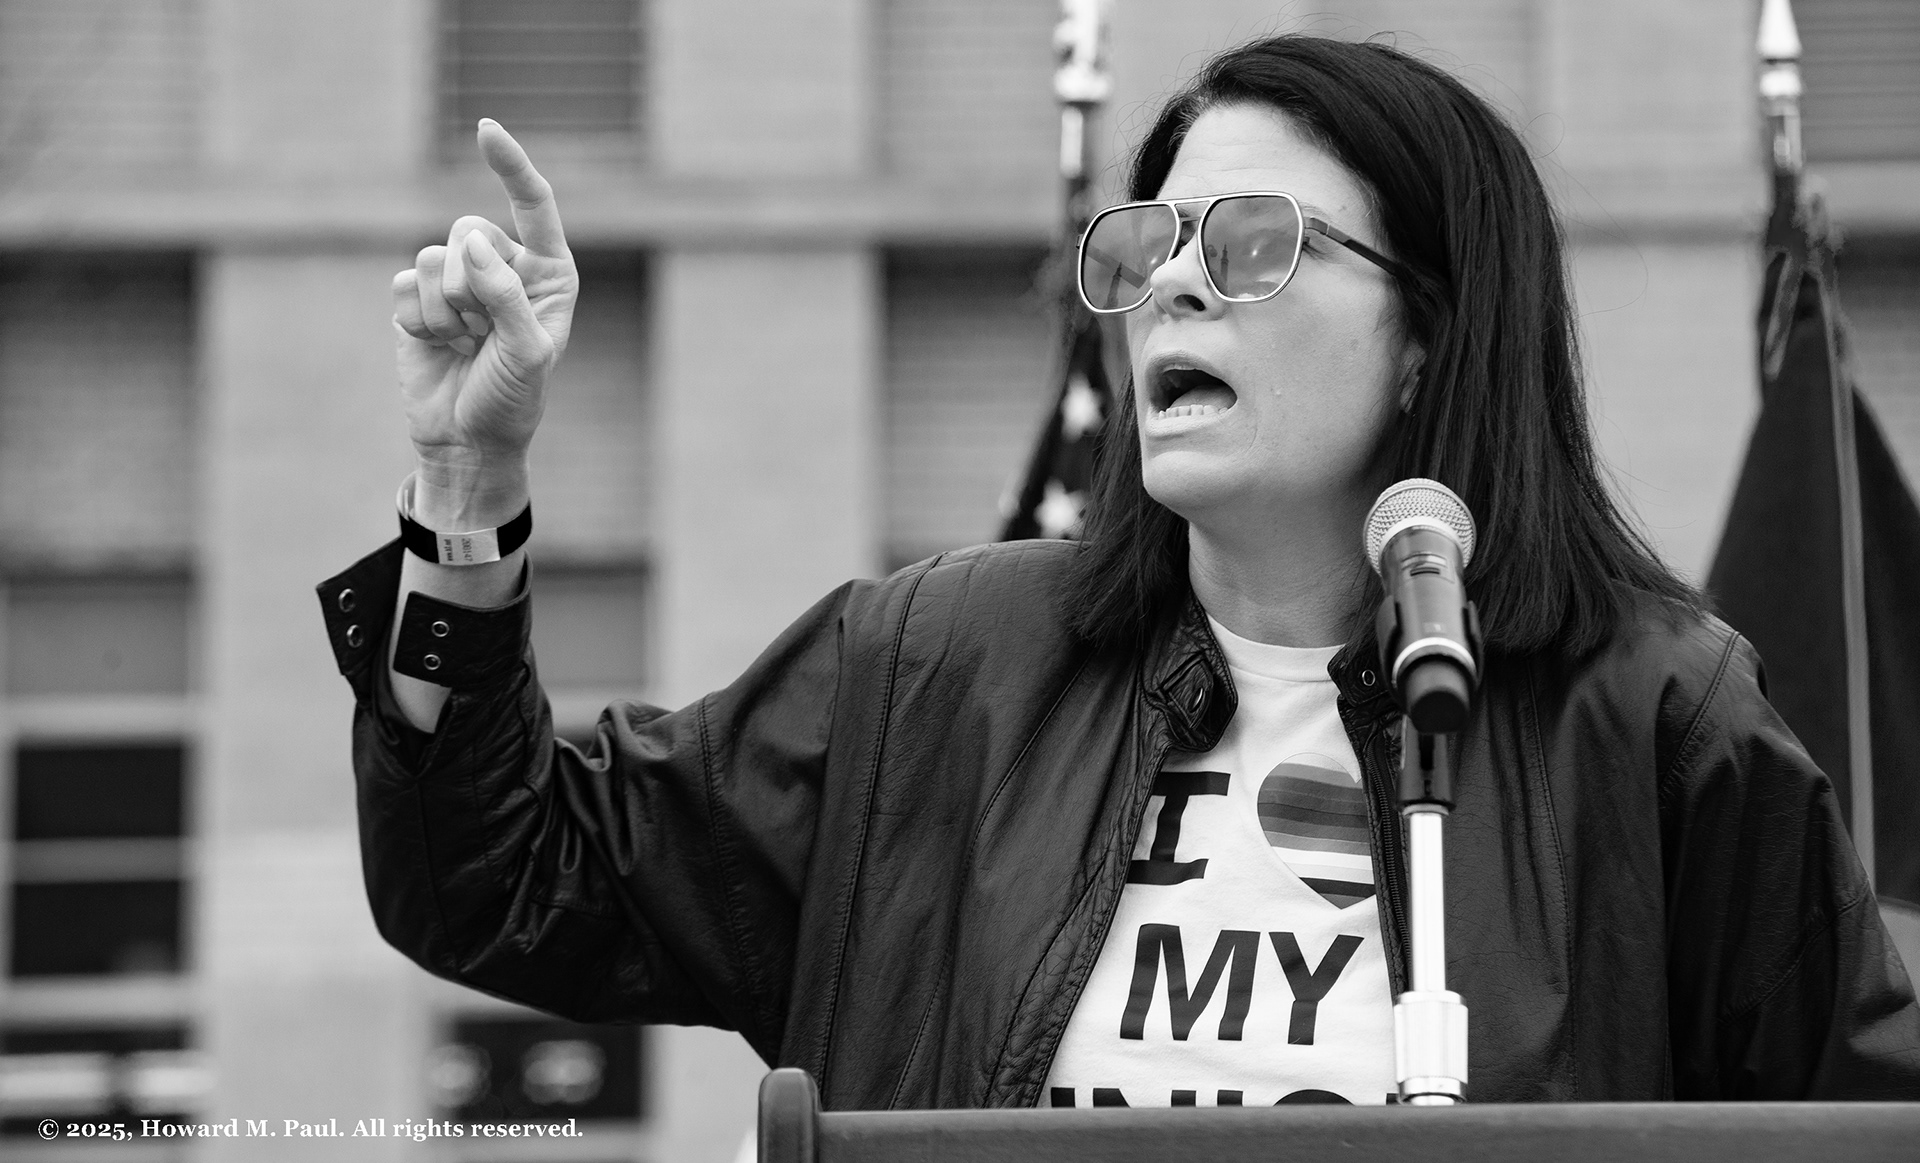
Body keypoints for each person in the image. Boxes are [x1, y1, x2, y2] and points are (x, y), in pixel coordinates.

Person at [318, 35, 1920, 1107]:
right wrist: (471, 483)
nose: (1173, 298)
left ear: (1431, 330)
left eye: (1251, 246)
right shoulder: (935, 670)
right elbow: (503, 880)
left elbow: (1850, 1120)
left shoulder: (1655, 721)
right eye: (1149, 252)